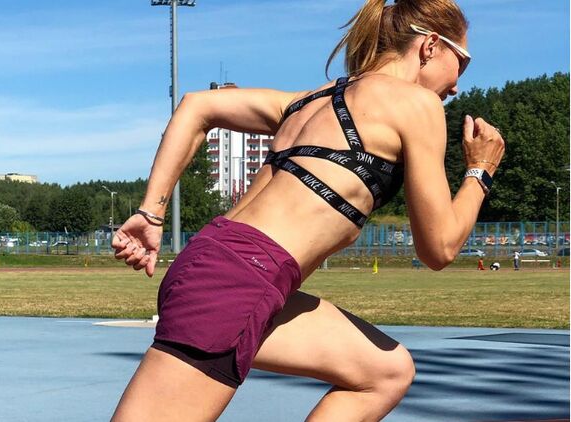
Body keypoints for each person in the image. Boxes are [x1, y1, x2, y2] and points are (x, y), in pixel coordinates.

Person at [111, 0, 505, 420]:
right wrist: (479, 172)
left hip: (220, 262)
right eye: (462, 62)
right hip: (238, 280)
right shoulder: (416, 104)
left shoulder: (308, 100)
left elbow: (196, 106)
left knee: (386, 371)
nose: (457, 86)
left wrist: (151, 213)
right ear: (430, 46)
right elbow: (439, 248)